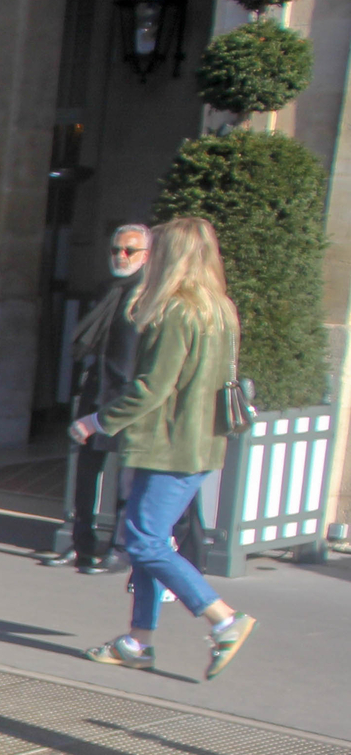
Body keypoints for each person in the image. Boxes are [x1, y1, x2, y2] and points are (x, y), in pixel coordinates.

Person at [74, 215, 255, 679]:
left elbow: (152, 387)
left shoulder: (177, 311)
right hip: (198, 443)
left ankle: (224, 621)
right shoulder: (220, 308)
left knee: (144, 540)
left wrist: (96, 421)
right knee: (150, 540)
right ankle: (139, 640)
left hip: (168, 443)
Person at [48, 225, 153, 572]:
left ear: (147, 256)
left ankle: (119, 547)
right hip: (97, 387)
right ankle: (82, 544)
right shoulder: (107, 290)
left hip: (125, 395)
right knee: (86, 469)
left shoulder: (148, 296)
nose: (120, 256)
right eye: (116, 250)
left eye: (129, 251)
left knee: (126, 475)